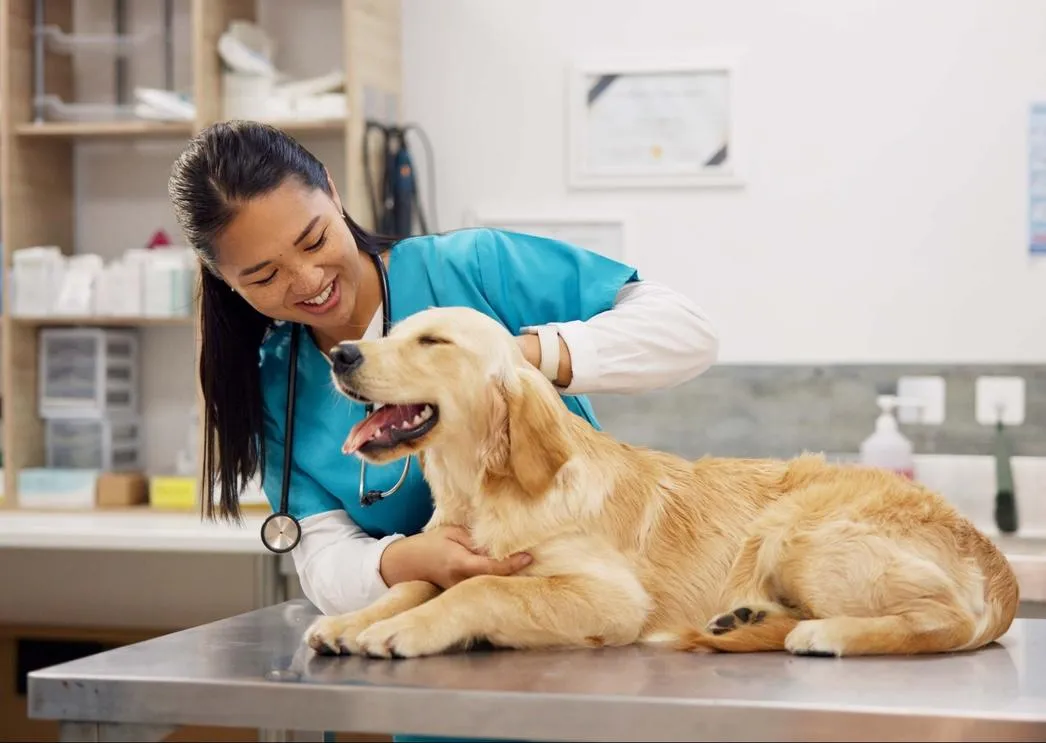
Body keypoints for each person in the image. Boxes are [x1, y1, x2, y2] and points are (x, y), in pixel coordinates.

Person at [168, 118, 719, 624]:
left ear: (333, 193)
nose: (308, 280)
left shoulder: (470, 270)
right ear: (226, 280)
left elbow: (687, 333)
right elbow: (323, 563)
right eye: (265, 276)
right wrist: (406, 560)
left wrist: (507, 361)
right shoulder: (276, 386)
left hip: (581, 622)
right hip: (430, 657)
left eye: (314, 240)